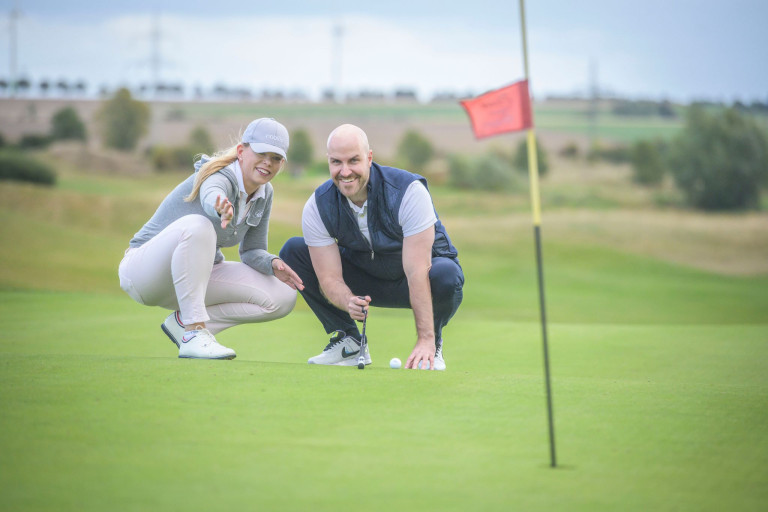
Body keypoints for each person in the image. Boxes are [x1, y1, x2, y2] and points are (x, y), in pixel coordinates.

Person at [279, 124, 463, 370]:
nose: (345, 172)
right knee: (294, 251)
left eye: (353, 161)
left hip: (419, 281)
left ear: (369, 158)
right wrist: (347, 301)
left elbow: (417, 270)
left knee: (446, 274)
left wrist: (425, 338)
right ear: (328, 161)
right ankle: (349, 343)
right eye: (336, 162)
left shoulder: (408, 191)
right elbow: (330, 277)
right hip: (364, 279)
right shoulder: (317, 205)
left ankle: (432, 347)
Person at [119, 118, 304, 360]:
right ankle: (194, 332)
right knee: (199, 225)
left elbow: (252, 250)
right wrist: (220, 206)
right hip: (143, 273)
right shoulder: (219, 175)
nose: (268, 163)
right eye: (261, 153)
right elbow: (210, 193)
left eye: (276, 158)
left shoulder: (264, 193)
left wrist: (272, 263)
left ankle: (183, 324)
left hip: (190, 281)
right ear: (241, 151)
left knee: (282, 295)